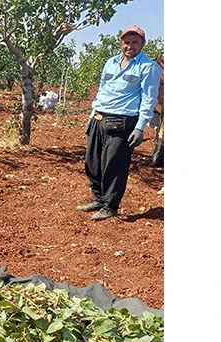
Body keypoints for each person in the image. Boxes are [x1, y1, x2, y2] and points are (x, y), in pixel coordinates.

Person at [76, 25, 162, 221]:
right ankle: (98, 198)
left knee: (114, 165)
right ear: (121, 43)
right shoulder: (110, 63)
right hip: (99, 118)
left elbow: (148, 99)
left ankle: (110, 205)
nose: (130, 46)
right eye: (126, 42)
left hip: (123, 121)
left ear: (142, 44)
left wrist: (140, 127)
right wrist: (91, 116)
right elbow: (102, 90)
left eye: (134, 42)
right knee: (92, 163)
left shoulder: (148, 67)